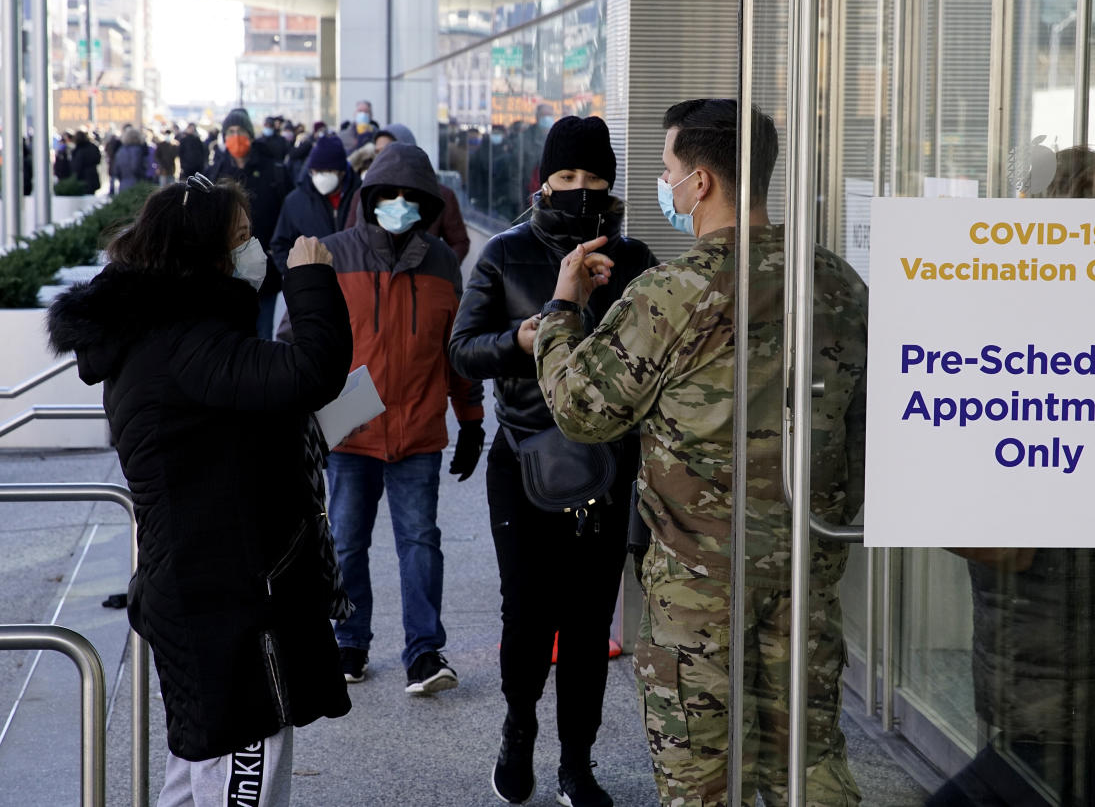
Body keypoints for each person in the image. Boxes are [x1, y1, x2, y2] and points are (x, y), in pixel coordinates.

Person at [532, 99, 866, 807]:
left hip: (696, 597)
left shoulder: (671, 294)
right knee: (808, 769)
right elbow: (865, 430)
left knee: (702, 785)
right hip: (804, 577)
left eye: (668, 170)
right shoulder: (837, 285)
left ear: (702, 182)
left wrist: (562, 311)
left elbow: (580, 408)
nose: (667, 184)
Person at [46, 175, 354, 807]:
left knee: (196, 777)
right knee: (243, 774)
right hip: (227, 600)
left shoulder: (165, 333)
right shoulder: (188, 341)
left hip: (209, 587)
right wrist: (312, 280)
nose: (256, 248)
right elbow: (310, 371)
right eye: (241, 237)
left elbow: (252, 404)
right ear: (204, 254)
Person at [450, 115, 657, 807]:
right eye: (565, 178)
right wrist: (519, 337)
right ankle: (518, 726)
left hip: (607, 465)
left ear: (609, 186)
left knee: (590, 619)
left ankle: (577, 761)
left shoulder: (635, 261)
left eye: (592, 180)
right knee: (528, 614)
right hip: (524, 462)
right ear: (543, 181)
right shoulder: (506, 252)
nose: (577, 190)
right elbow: (463, 347)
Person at [929, 147, 1095, 807]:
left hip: (1082, 616)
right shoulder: (1024, 317)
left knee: (1079, 764)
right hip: (1043, 614)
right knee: (1043, 764)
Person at [318, 141, 485, 697]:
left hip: (416, 430)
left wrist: (472, 418)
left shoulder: (441, 263)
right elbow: (298, 339)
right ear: (368, 199)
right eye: (386, 194)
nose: (397, 203)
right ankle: (350, 642)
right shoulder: (333, 253)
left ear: (427, 204)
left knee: (420, 541)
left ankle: (423, 653)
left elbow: (455, 350)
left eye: (410, 197)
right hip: (349, 429)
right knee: (345, 541)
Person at [207, 108, 294, 339]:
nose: (236, 136)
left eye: (241, 131)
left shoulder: (274, 170)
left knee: (262, 335)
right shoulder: (215, 172)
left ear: (251, 135)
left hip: (265, 267)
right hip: (227, 269)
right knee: (230, 335)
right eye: (231, 131)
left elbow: (288, 212)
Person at [343, 124, 471, 262]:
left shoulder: (441, 195)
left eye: (387, 150)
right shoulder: (364, 194)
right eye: (377, 152)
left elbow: (459, 242)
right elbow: (349, 240)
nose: (380, 157)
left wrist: (440, 271)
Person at [270, 134, 360, 275]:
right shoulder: (296, 201)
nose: (321, 177)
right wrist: (297, 277)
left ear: (342, 172)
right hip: (314, 285)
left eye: (328, 171)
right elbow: (280, 245)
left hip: (355, 281)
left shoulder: (360, 197)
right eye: (316, 171)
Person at [114, 126, 151, 192]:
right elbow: (136, 167)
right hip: (136, 183)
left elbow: (116, 170)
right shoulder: (138, 150)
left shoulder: (120, 150)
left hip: (123, 183)